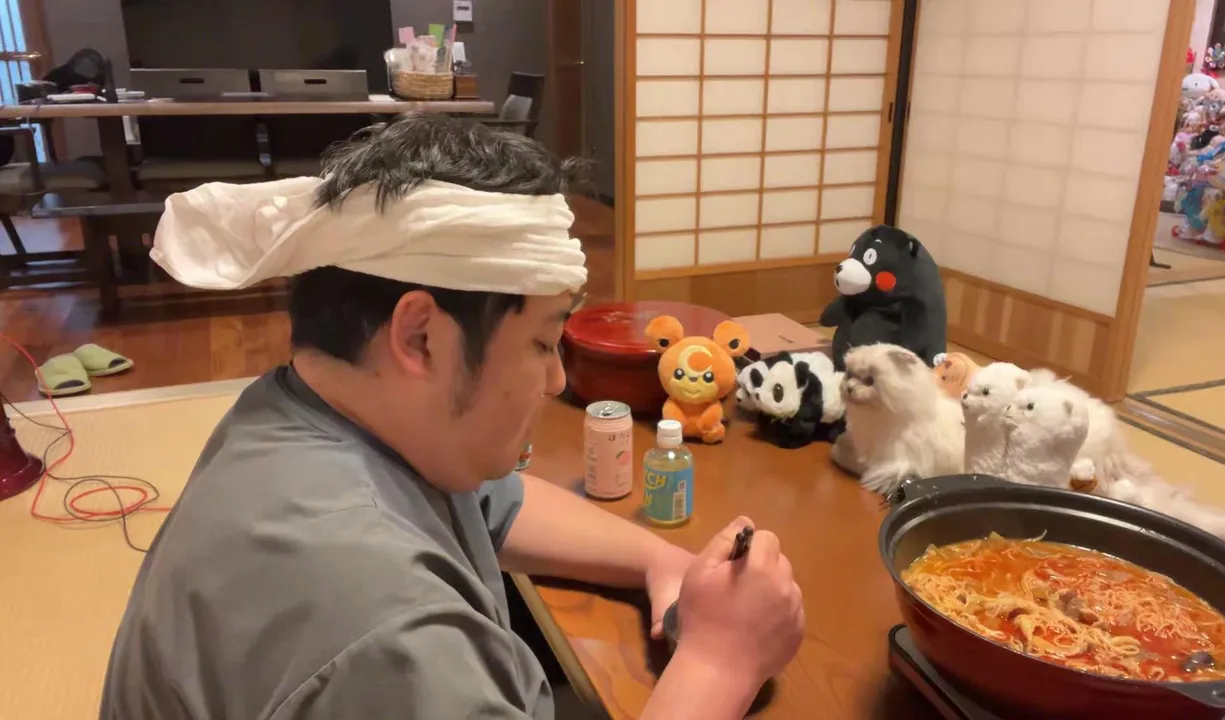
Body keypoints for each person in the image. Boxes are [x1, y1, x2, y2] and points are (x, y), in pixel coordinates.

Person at [100, 115, 805, 720]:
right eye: (542, 343)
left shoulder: (310, 409)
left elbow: (497, 502)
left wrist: (664, 562)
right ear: (420, 337)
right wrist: (720, 659)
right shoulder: (387, 627)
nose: (557, 379)